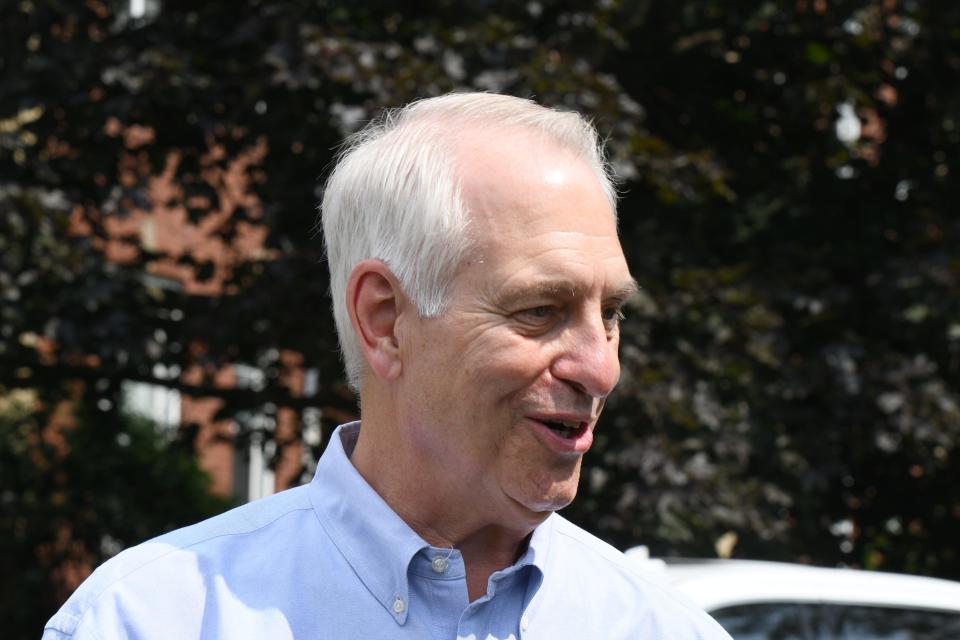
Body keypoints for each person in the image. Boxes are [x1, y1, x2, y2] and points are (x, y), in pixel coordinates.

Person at [44, 93, 731, 639]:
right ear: (384, 320)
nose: (601, 370)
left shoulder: (661, 627)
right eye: (539, 311)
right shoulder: (152, 620)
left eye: (609, 314)